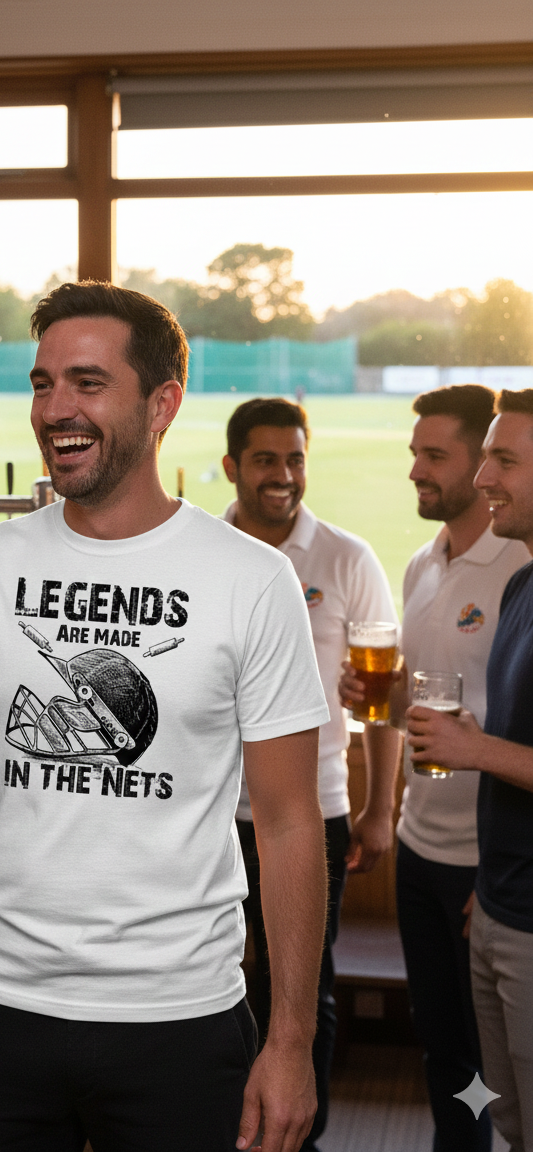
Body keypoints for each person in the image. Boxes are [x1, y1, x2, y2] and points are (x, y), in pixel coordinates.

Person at [0, 282, 330, 1152]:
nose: (56, 409)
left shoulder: (249, 578)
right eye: (42, 383)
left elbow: (287, 823)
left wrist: (291, 1042)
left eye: (88, 383)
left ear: (162, 403)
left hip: (180, 1015)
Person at [341, 384, 528, 1152]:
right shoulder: (422, 562)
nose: (418, 468)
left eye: (437, 455)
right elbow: (413, 704)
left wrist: (488, 875)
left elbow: (488, 732)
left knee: (499, 1070)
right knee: (445, 1049)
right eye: (415, 453)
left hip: (488, 867)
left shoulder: (514, 563)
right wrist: (370, 701)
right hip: (425, 850)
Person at [220, 396, 401, 1152]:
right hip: (210, 812)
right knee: (216, 981)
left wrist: (377, 808)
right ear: (232, 467)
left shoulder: (347, 558)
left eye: (295, 458)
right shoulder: (201, 552)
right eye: (266, 459)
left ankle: (304, 1137)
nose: (284, 475)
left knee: (302, 987)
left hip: (314, 806)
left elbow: (382, 691)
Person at [404, 387, 533, 1152]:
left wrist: (475, 750)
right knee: (499, 1108)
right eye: (483, 456)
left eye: (505, 459)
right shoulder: (523, 587)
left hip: (511, 904)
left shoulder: (509, 569)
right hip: (494, 897)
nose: (487, 478)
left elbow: (488, 743)